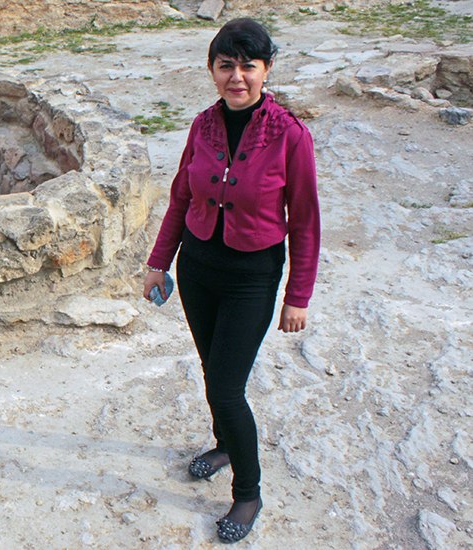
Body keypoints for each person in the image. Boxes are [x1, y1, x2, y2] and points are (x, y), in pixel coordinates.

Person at [142, 18, 320, 543]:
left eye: (248, 65)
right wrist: (159, 261)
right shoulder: (202, 126)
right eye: (226, 65)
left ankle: (248, 492)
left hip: (251, 278)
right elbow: (180, 197)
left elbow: (305, 221)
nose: (236, 76)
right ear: (212, 70)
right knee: (211, 367)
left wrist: (298, 296)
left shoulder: (289, 134)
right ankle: (224, 444)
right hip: (197, 269)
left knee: (225, 384)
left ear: (266, 70)